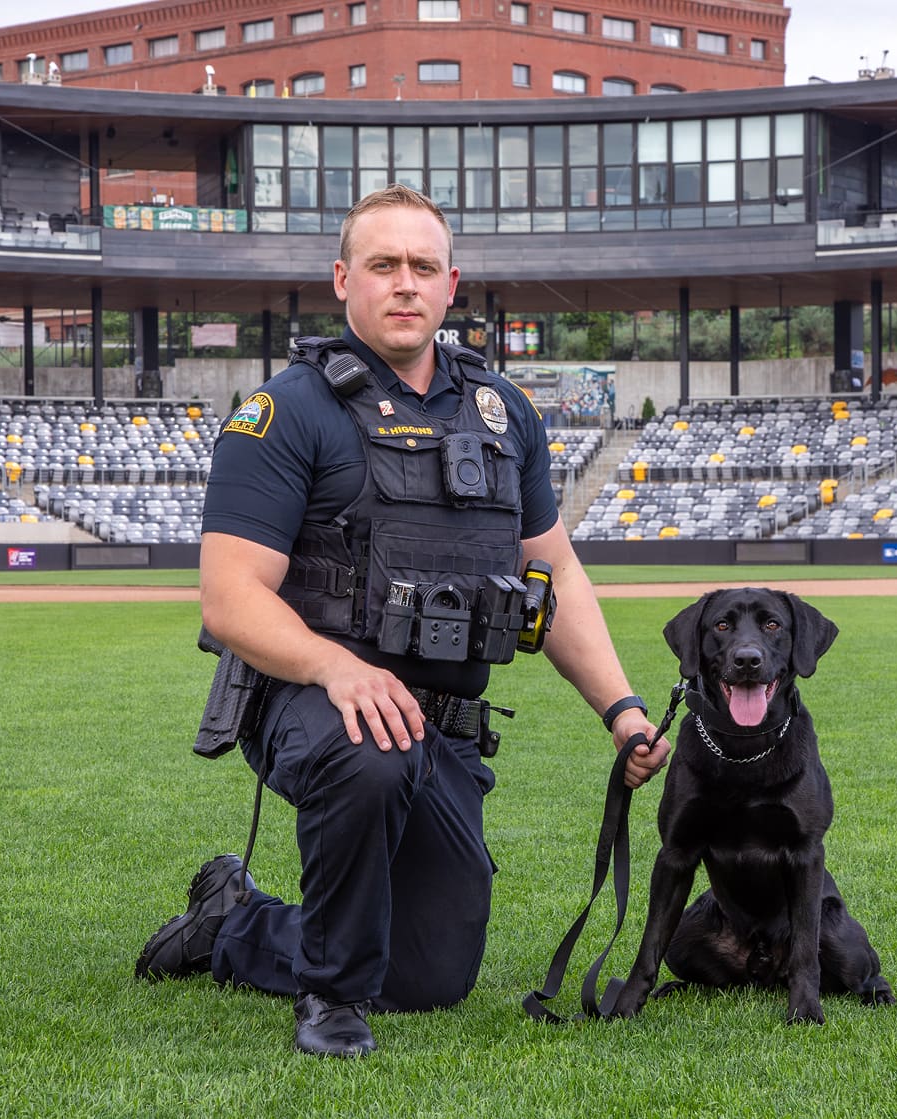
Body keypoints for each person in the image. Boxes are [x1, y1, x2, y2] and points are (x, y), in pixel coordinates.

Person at [134, 184, 668, 1057]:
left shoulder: (505, 415)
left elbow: (553, 568)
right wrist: (338, 668)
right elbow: (229, 597)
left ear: (451, 284)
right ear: (343, 279)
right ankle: (332, 1002)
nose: (405, 283)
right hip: (314, 702)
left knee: (430, 975)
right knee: (369, 751)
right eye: (383, 264)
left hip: (445, 728)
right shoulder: (287, 410)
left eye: (423, 266)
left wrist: (622, 710)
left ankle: (232, 924)